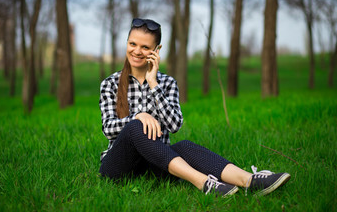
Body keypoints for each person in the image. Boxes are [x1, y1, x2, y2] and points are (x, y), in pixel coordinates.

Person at [99, 18, 290, 197]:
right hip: (118, 167)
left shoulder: (167, 83)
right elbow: (108, 129)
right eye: (132, 44)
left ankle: (249, 180)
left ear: (157, 50)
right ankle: (203, 183)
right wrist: (138, 117)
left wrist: (153, 83)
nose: (137, 51)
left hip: (157, 165)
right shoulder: (110, 84)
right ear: (127, 43)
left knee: (184, 146)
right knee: (135, 127)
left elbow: (174, 125)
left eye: (145, 47)